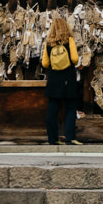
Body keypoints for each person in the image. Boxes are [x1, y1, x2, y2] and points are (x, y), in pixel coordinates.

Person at [41, 13, 81, 146]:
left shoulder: (48, 43)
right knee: (70, 107)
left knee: (52, 108)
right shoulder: (69, 41)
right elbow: (75, 59)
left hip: (53, 78)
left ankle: (52, 139)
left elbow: (45, 64)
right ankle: (70, 138)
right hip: (68, 77)